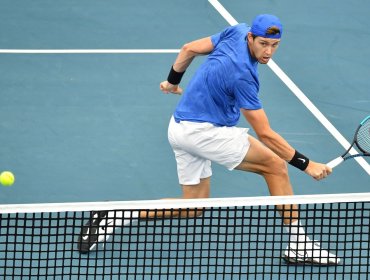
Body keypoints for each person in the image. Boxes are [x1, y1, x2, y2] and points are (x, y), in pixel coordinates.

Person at [78, 14, 339, 265]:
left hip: (179, 127)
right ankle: (299, 244)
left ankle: (114, 215)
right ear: (250, 37)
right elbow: (265, 134)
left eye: (274, 45)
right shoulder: (243, 76)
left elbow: (188, 48)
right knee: (275, 166)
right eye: (263, 44)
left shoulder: (236, 30)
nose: (268, 52)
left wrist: (171, 82)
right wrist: (306, 164)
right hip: (204, 133)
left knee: (193, 206)